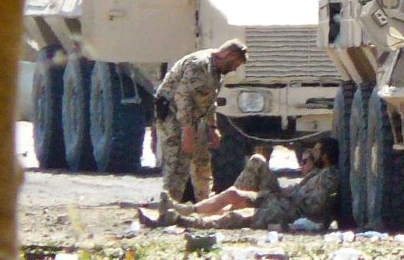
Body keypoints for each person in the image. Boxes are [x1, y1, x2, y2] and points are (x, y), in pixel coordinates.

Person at [140, 138, 340, 230]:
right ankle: (186, 210)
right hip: (279, 201)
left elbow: (315, 206)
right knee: (235, 194)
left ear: (325, 156)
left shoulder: (328, 177)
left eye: (315, 152)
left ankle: (180, 220)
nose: (309, 155)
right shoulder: (319, 173)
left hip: (286, 210)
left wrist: (287, 202)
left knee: (236, 215)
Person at [155, 39, 249, 202]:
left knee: (202, 161)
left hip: (193, 116)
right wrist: (187, 131)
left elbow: (207, 100)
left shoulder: (216, 71)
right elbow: (182, 98)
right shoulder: (200, 65)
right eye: (235, 64)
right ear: (230, 55)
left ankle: (203, 204)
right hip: (173, 113)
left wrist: (212, 127)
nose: (234, 69)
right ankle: (169, 206)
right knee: (178, 162)